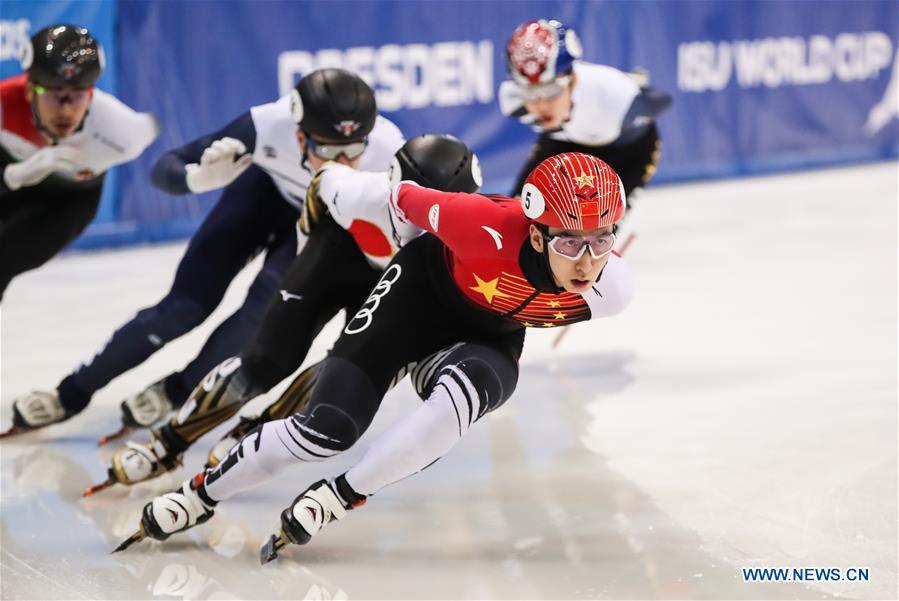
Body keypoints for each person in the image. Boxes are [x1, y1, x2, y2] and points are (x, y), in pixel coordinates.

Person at [120, 151, 634, 556]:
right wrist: (328, 185)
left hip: (488, 337)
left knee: (463, 402)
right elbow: (395, 196)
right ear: (538, 234)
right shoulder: (479, 224)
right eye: (569, 243)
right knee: (324, 432)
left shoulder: (611, 292)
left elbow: (581, 272)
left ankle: (339, 496)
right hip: (412, 302)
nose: (587, 261)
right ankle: (197, 497)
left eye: (601, 239)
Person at [4, 69, 404, 437]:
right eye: (329, 151)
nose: (344, 164)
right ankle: (70, 394)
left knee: (260, 316)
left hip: (321, 222)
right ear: (299, 136)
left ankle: (175, 392)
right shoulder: (267, 125)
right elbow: (165, 168)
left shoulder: (388, 149)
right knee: (182, 309)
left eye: (354, 149)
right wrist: (195, 178)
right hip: (263, 197)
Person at [91, 134, 483, 492]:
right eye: (420, 213)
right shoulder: (358, 193)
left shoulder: (470, 237)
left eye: (445, 219)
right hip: (337, 257)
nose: (428, 228)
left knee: (350, 367)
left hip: (393, 282)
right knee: (266, 361)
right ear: (395, 190)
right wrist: (306, 250)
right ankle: (168, 442)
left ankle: (259, 429)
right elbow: (324, 179)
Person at [0, 24, 158, 300]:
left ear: (92, 95)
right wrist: (12, 176)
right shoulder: (3, 105)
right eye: (52, 94)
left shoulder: (122, 131)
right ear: (28, 91)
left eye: (77, 95)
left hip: (69, 201)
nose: (65, 109)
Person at [500, 19, 671, 201]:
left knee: (598, 224)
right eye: (529, 91)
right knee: (519, 211)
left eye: (551, 90)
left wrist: (631, 87)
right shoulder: (513, 101)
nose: (541, 104)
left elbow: (663, 99)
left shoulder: (616, 98)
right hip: (565, 140)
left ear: (572, 78)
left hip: (628, 150)